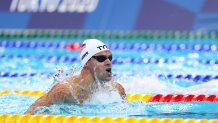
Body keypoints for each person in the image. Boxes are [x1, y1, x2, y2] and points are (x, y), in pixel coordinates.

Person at [25, 39, 126, 114]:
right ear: (86, 62)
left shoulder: (117, 90)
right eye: (101, 58)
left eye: (110, 57)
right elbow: (29, 114)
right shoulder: (65, 91)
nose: (109, 62)